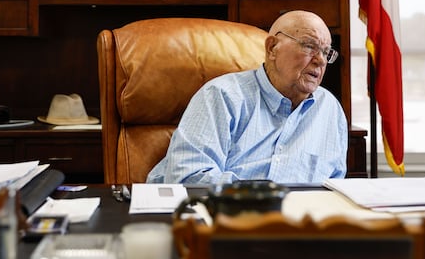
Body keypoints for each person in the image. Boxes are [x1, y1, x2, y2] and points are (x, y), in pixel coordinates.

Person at [146, 10, 348, 185]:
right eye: (309, 46)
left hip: (302, 224)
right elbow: (188, 179)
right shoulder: (222, 96)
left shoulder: (330, 109)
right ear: (272, 48)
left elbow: (333, 186)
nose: (320, 60)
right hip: (218, 220)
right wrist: (263, 198)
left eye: (326, 52)